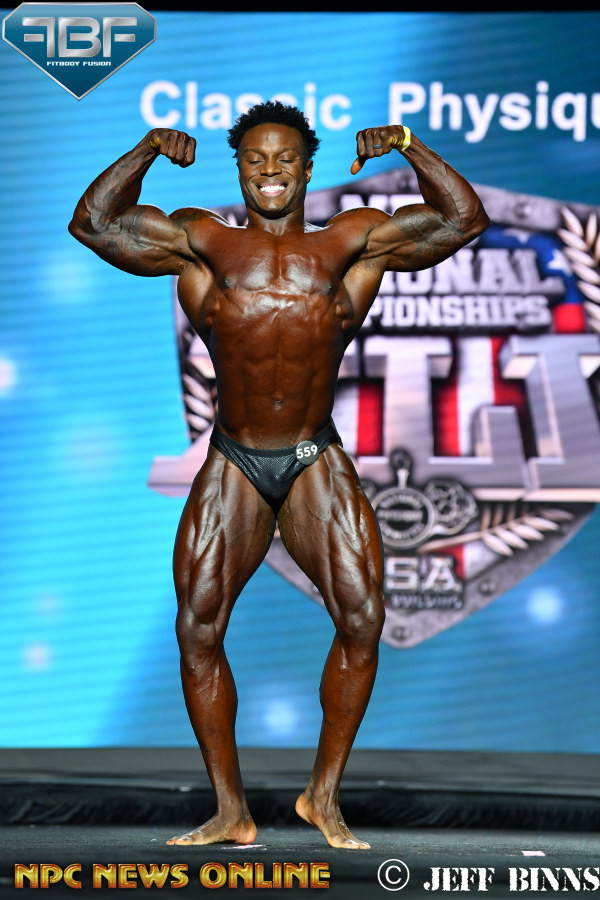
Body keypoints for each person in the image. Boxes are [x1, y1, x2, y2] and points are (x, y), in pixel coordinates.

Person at [69, 101, 489, 849]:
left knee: (362, 619)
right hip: (234, 457)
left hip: (310, 456)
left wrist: (406, 143)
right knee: (198, 627)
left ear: (307, 168)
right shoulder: (202, 243)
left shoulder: (351, 243)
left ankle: (322, 796)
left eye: (285, 159)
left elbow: (462, 220)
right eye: (257, 159)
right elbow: (94, 224)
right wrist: (147, 148)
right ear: (239, 168)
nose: (271, 171)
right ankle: (229, 810)